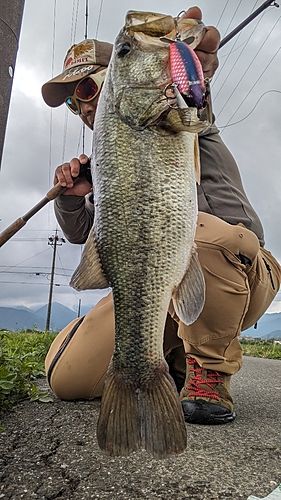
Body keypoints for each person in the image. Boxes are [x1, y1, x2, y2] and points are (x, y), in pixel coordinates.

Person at [42, 6, 281, 425]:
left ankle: (208, 371)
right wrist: (72, 197)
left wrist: (194, 64)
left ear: (114, 76)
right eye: (69, 102)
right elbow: (84, 237)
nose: (79, 106)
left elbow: (197, 83)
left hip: (238, 271)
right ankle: (166, 362)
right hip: (163, 290)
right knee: (68, 378)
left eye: (85, 88)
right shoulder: (109, 163)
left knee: (200, 235)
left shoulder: (180, 112)